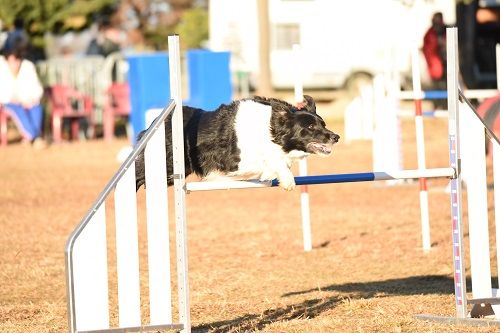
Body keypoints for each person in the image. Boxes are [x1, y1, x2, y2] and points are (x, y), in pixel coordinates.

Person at [0, 39, 46, 148]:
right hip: (8, 102)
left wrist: (30, 99)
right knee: (18, 110)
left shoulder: (28, 67)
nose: (14, 64)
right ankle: (34, 137)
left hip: (28, 100)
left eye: (16, 61)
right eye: (11, 61)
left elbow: (37, 88)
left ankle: (31, 137)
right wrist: (12, 99)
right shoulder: (2, 69)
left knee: (37, 108)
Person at [423, 12, 447, 90]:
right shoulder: (430, 34)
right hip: (436, 68)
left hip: (446, 64)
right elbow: (428, 50)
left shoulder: (446, 31)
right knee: (439, 88)